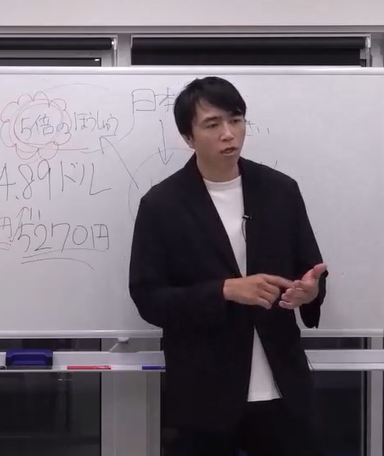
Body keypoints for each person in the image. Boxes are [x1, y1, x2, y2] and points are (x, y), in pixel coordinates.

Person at [128, 76, 328, 456]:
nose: (228, 134)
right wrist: (224, 291)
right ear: (188, 137)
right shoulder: (162, 205)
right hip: (204, 392)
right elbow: (148, 298)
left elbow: (310, 269)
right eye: (212, 124)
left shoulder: (281, 190)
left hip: (282, 386)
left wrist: (310, 292)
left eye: (236, 120)